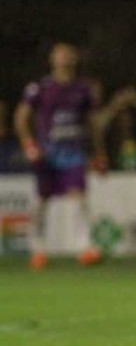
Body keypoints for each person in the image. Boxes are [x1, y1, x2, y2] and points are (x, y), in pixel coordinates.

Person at [13, 43, 108, 270]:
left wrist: (100, 152)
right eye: (60, 55)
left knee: (78, 196)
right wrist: (29, 145)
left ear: (74, 60)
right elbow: (20, 117)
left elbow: (93, 123)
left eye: (68, 56)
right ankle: (38, 249)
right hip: (47, 153)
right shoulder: (40, 88)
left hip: (73, 153)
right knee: (42, 199)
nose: (64, 59)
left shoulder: (83, 89)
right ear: (52, 60)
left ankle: (85, 248)